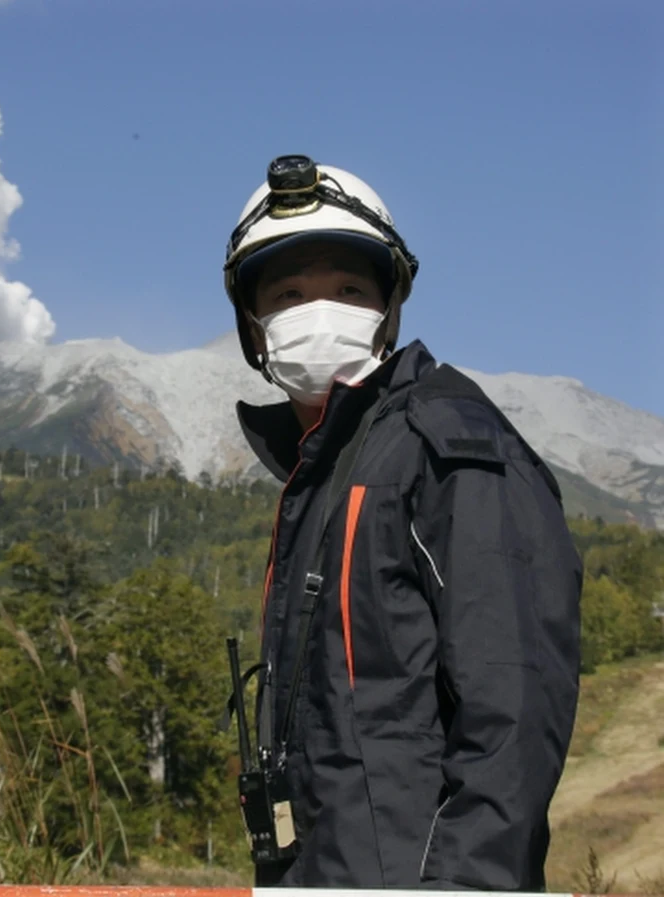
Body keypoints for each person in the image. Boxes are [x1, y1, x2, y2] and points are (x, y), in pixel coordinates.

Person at [222, 155, 582, 890]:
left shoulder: (448, 444)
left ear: (390, 305)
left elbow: (510, 717)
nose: (319, 313)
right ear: (253, 324)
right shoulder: (327, 467)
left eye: (349, 288)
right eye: (288, 293)